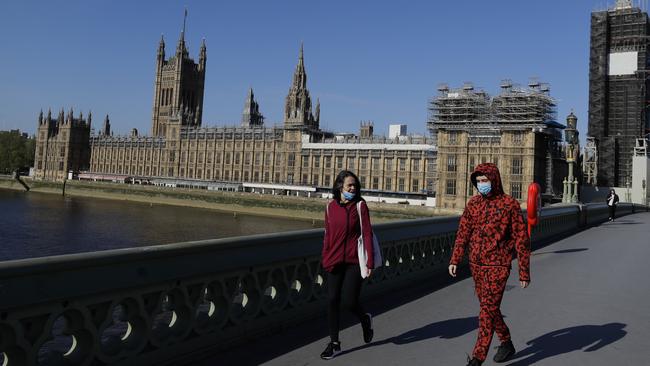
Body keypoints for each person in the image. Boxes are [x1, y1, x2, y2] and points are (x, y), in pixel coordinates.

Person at [448, 163, 531, 366]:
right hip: (476, 264)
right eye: (477, 181)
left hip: (499, 265)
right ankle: (506, 342)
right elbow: (463, 233)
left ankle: (477, 359)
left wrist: (523, 272)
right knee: (490, 309)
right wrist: (455, 259)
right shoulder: (473, 204)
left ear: (494, 180)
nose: (481, 184)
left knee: (486, 311)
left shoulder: (509, 205)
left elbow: (521, 240)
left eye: (484, 180)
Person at [320, 170, 375, 360]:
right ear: (339, 186)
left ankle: (364, 319)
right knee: (332, 300)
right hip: (334, 260)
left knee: (350, 301)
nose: (353, 188)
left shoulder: (360, 206)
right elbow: (327, 235)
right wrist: (325, 257)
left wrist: (370, 262)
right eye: (349, 185)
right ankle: (334, 343)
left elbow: (367, 234)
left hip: (353, 261)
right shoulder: (330, 207)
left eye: (355, 185)